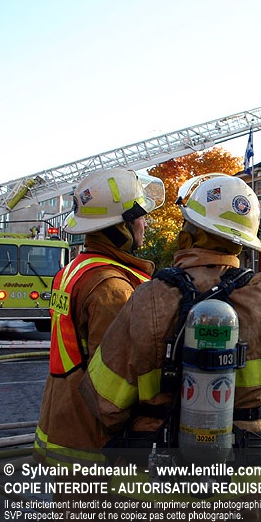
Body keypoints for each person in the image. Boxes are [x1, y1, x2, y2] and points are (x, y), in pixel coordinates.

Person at [79, 174, 261, 522]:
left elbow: (104, 402)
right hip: (247, 495)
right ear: (241, 244)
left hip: (155, 495)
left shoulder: (147, 298)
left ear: (187, 235)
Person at [34, 167, 165, 467]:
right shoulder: (112, 287)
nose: (145, 222)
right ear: (120, 226)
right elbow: (117, 383)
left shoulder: (75, 271)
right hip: (94, 443)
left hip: (64, 421)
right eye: (140, 216)